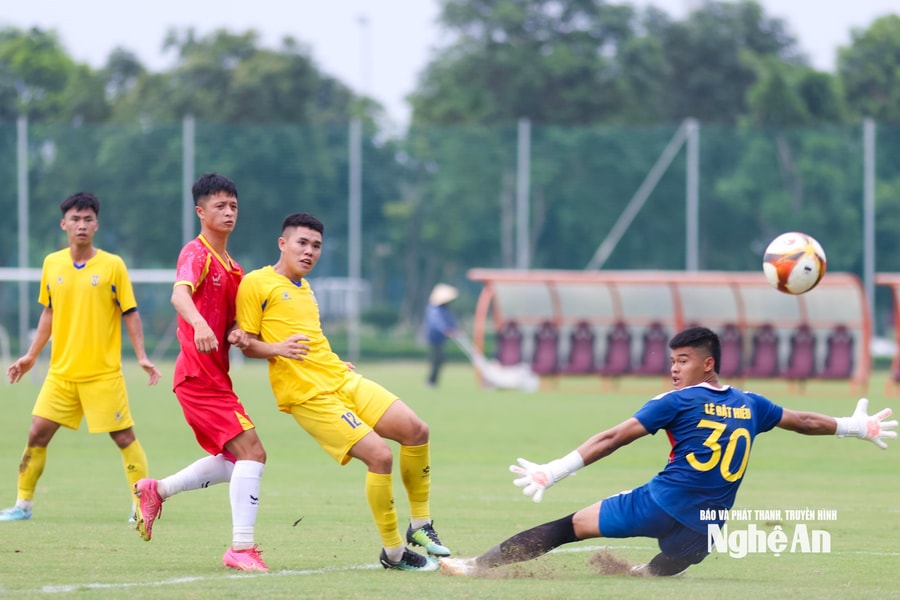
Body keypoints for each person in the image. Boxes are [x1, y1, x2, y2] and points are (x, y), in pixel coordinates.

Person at [438, 326, 897, 577]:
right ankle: (646, 573)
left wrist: (556, 470)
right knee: (670, 566)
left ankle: (478, 567)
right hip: (706, 528)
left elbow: (613, 437)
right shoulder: (752, 404)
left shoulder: (675, 401)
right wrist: (859, 426)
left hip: (658, 505)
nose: (674, 369)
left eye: (682, 361)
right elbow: (807, 422)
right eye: (672, 361)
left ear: (707, 363)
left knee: (570, 527)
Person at [235, 212, 451, 572]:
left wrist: (334, 361)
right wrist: (278, 349)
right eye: (302, 243)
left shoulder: (306, 290)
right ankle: (394, 553)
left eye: (316, 246)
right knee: (380, 456)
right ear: (282, 243)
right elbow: (247, 343)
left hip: (340, 378)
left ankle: (420, 526)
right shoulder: (256, 283)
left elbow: (311, 338)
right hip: (308, 395)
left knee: (417, 430)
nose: (309, 252)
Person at [131, 173, 269, 572]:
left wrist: (237, 334)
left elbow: (231, 325)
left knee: (235, 461)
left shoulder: (234, 267)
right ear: (200, 211)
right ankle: (241, 549)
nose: (228, 212)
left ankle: (156, 490)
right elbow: (179, 294)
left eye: (234, 206)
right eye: (220, 206)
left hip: (215, 378)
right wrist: (200, 325)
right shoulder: (197, 252)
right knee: (253, 453)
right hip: (197, 377)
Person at [1, 191, 161, 522]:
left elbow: (130, 312)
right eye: (75, 219)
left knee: (123, 437)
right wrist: (31, 356)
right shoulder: (52, 263)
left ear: (97, 225)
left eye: (88, 219)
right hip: (61, 374)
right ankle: (23, 505)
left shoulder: (113, 265)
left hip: (102, 374)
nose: (82, 225)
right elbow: (49, 311)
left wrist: (142, 356)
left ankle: (141, 503)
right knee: (36, 433)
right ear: (64, 224)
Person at [423, 283, 458, 388]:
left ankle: (433, 381)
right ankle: (431, 381)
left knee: (440, 360)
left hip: (441, 339)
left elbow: (451, 320)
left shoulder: (445, 309)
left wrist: (454, 329)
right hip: (434, 338)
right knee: (436, 359)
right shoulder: (434, 309)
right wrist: (445, 329)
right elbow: (437, 322)